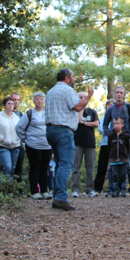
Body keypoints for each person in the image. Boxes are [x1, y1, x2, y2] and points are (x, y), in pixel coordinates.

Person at [45, 68, 94, 211]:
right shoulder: (67, 90)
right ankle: (60, 198)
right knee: (66, 165)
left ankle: (57, 197)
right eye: (72, 77)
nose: (74, 79)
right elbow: (78, 107)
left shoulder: (50, 91)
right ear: (67, 78)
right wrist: (89, 96)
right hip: (63, 131)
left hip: (51, 131)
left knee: (60, 165)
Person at [15, 92, 53, 200]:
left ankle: (45, 191)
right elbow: (19, 127)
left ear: (44, 101)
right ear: (33, 101)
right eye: (37, 99)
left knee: (44, 168)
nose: (39, 101)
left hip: (47, 145)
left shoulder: (48, 113)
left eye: (41, 99)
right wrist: (25, 140)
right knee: (35, 167)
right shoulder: (29, 113)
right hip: (33, 145)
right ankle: (35, 191)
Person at [103, 86, 130, 197]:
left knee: (129, 164)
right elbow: (105, 124)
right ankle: (112, 188)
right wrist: (109, 134)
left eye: (121, 92)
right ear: (114, 94)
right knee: (112, 165)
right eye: (117, 92)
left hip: (125, 139)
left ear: (124, 94)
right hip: (113, 140)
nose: (119, 94)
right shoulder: (111, 109)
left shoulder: (129, 107)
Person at [71, 91, 99, 198]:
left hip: (90, 142)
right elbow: (77, 121)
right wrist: (85, 121)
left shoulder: (92, 111)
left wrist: (84, 123)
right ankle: (75, 190)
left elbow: (96, 123)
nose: (82, 99)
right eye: (80, 97)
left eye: (84, 97)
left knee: (90, 167)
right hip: (77, 142)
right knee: (76, 167)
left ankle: (89, 189)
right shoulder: (73, 111)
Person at [0, 96, 21, 180]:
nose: (11, 105)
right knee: (7, 167)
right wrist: (2, 139)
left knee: (13, 169)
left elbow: (20, 130)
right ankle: (5, 190)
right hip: (2, 146)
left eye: (12, 103)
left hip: (15, 146)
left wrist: (19, 139)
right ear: (4, 105)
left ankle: (10, 190)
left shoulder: (16, 118)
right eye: (8, 104)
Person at [93, 99, 115, 193]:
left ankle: (114, 188)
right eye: (108, 105)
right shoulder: (102, 117)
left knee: (115, 166)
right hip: (105, 144)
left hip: (115, 144)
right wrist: (111, 132)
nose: (110, 106)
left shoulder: (117, 117)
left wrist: (109, 132)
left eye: (112, 105)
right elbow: (101, 130)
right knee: (102, 166)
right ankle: (97, 188)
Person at [108, 117, 130, 197]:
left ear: (122, 125)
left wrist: (126, 157)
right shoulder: (111, 136)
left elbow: (128, 147)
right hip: (114, 160)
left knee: (123, 175)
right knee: (115, 175)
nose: (116, 125)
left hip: (123, 159)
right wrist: (110, 157)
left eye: (118, 123)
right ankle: (115, 190)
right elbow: (109, 147)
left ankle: (123, 190)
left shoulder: (125, 136)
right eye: (114, 124)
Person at [10, 92, 25, 190]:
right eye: (14, 99)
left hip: (20, 145)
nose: (16, 102)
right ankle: (7, 190)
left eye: (17, 100)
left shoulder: (21, 115)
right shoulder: (3, 115)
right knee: (8, 167)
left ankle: (19, 190)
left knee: (19, 168)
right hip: (8, 145)